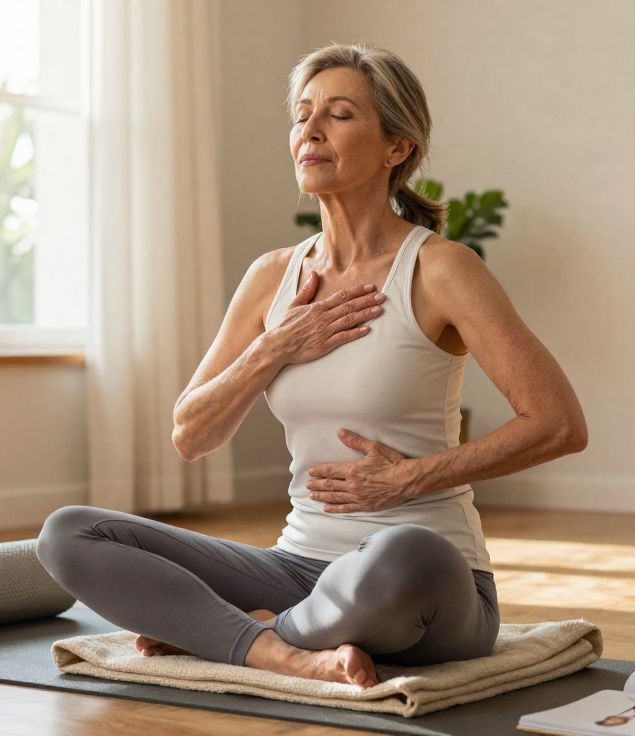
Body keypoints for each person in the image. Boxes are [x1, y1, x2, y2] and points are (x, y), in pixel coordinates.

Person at [36, 42, 588, 690]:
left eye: (340, 114)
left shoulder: (440, 270)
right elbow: (191, 434)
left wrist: (409, 478)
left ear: (397, 147)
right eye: (302, 116)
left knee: (406, 553)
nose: (311, 130)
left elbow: (558, 423)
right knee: (69, 533)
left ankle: (232, 633)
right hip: (297, 566)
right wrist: (274, 348)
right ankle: (281, 649)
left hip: (427, 581)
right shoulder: (272, 277)